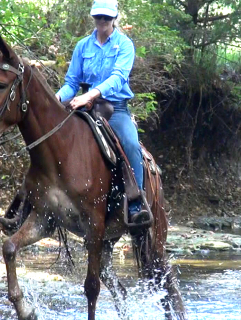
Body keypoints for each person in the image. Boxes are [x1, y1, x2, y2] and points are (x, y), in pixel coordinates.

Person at [55, 0, 149, 224]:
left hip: (114, 108)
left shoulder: (124, 45)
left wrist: (91, 95)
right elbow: (72, 82)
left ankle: (136, 203)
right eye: (99, 17)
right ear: (93, 18)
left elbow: (118, 78)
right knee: (52, 138)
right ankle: (42, 199)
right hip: (83, 106)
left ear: (114, 18)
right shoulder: (82, 46)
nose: (102, 22)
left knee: (131, 144)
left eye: (107, 18)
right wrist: (56, 98)